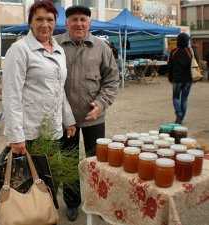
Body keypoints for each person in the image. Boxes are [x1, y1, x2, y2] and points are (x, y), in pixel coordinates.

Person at [56, 5, 119, 221]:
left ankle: (97, 201)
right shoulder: (54, 45)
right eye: (74, 19)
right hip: (66, 120)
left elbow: (112, 80)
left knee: (96, 161)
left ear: (89, 23)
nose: (79, 24)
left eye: (83, 19)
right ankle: (72, 202)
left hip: (95, 118)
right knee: (69, 161)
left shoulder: (102, 47)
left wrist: (101, 104)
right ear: (67, 23)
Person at [3, 1, 76, 160]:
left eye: (49, 20)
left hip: (53, 130)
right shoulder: (20, 49)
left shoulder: (58, 51)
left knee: (50, 180)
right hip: (30, 133)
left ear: (55, 23)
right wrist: (16, 136)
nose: (45, 24)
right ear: (30, 22)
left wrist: (68, 119)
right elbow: (11, 95)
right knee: (33, 182)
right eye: (39, 19)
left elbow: (59, 89)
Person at [168, 32, 193, 125]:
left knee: (175, 97)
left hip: (177, 79)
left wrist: (170, 77)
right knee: (184, 99)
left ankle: (178, 114)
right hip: (188, 80)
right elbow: (195, 64)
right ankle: (181, 118)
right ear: (187, 41)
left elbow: (170, 66)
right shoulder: (190, 51)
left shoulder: (174, 51)